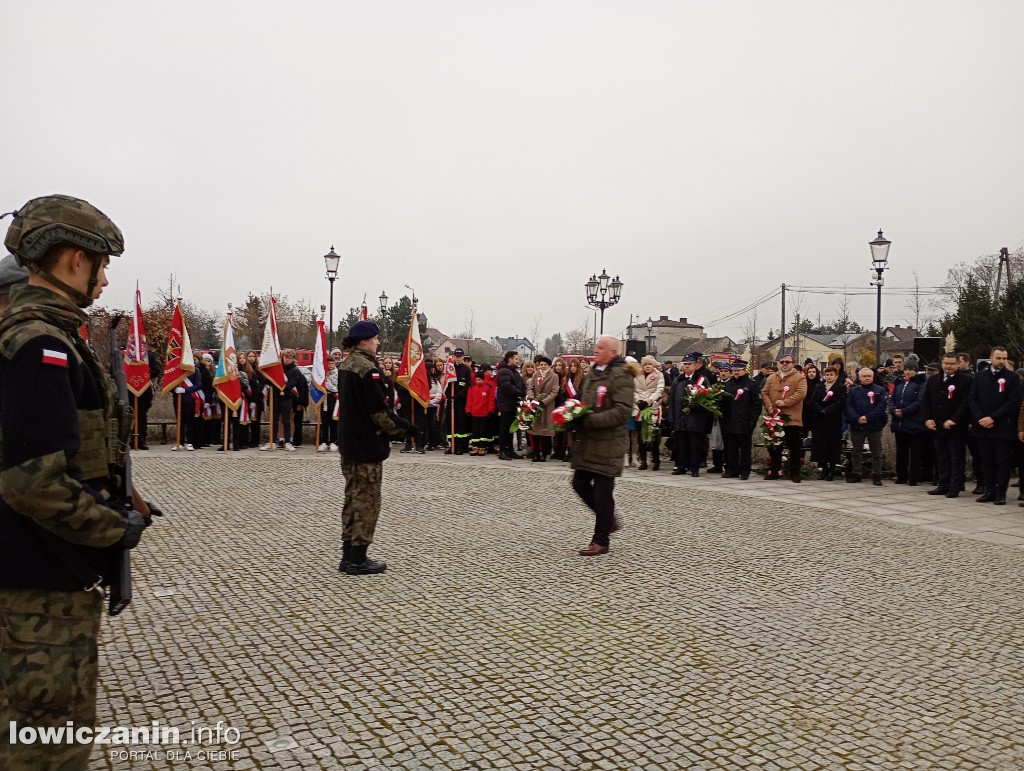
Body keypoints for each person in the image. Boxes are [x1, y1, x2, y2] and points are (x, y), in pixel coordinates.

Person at [0, 194, 154, 770]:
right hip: (37, 577)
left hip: (33, 568)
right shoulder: (42, 346)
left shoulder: (40, 335)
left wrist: (116, 490)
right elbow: (32, 481)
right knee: (45, 741)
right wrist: (116, 527)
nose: (105, 277)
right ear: (71, 260)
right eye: (101, 263)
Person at [336, 320, 410, 575]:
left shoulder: (347, 364)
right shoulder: (368, 369)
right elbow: (378, 412)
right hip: (366, 444)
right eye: (376, 339)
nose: (379, 343)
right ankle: (358, 558)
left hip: (350, 443)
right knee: (366, 501)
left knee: (352, 498)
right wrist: (402, 429)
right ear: (365, 340)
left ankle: (348, 555)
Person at [571, 336, 637, 556]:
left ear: (612, 352)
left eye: (600, 347)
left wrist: (590, 420)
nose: (595, 350)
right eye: (596, 346)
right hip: (589, 441)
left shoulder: (622, 375)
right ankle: (609, 521)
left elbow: (622, 411)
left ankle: (601, 540)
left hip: (609, 442)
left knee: (602, 492)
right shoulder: (594, 372)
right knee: (579, 483)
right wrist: (571, 414)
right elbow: (584, 402)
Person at [968, 346, 1022, 504]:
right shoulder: (980, 376)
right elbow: (972, 399)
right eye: (998, 358)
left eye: (1004, 358)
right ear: (991, 358)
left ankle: (1000, 494)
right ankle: (989, 490)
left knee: (1002, 461)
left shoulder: (1012, 378)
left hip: (1002, 427)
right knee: (986, 460)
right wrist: (981, 418)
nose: (1001, 361)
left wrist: (993, 418)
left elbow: (1013, 402)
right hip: (983, 426)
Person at [922, 352, 972, 498]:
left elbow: (965, 403)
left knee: (956, 458)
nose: (948, 366)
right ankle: (943, 484)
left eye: (951, 364)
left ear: (958, 364)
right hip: (937, 426)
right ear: (942, 364)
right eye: (946, 363)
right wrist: (927, 418)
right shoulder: (933, 379)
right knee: (941, 457)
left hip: (956, 427)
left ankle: (955, 487)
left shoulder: (966, 380)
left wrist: (954, 420)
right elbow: (925, 401)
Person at [761, 354, 808, 482]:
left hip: (792, 418)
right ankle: (775, 471)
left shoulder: (800, 378)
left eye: (788, 362)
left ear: (793, 363)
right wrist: (769, 406)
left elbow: (801, 393)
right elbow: (764, 393)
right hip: (775, 417)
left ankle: (794, 473)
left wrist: (785, 402)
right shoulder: (771, 378)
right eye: (782, 362)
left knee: (794, 447)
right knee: (775, 446)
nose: (785, 364)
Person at [669, 353, 717, 476]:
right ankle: (681, 466)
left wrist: (699, 406)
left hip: (696, 419)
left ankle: (694, 468)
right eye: (685, 364)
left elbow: (708, 399)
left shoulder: (702, 380)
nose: (687, 366)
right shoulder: (678, 380)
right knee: (681, 445)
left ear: (695, 365)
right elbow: (672, 400)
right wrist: (672, 418)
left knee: (695, 445)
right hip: (681, 418)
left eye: (689, 364)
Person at [888, 357, 928, 485]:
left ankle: (914, 477)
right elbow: (892, 399)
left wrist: (905, 411)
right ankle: (901, 476)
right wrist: (894, 410)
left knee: (915, 453)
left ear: (916, 371)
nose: (907, 372)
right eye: (906, 369)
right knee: (901, 452)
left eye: (910, 370)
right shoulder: (899, 383)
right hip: (900, 423)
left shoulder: (921, 384)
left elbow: (919, 402)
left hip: (915, 423)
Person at [845, 367, 888, 485]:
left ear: (873, 377)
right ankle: (856, 473)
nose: (867, 378)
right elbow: (848, 406)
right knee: (856, 451)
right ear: (859, 377)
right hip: (857, 425)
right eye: (864, 376)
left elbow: (881, 407)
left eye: (869, 376)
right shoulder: (853, 391)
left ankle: (877, 475)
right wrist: (857, 418)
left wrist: (868, 417)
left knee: (876, 452)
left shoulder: (880, 390)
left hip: (874, 426)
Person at [721, 360, 761, 479]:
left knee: (744, 449)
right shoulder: (727, 384)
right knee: (730, 448)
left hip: (744, 422)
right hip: (729, 422)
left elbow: (756, 405)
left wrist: (752, 421)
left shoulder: (751, 384)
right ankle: (732, 470)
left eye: (738, 370)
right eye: (734, 371)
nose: (736, 373)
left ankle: (744, 471)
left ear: (744, 370)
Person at [807, 365, 847, 480]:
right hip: (820, 419)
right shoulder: (819, 386)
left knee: (832, 444)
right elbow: (812, 401)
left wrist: (828, 410)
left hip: (834, 419)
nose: (829, 377)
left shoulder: (841, 387)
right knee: (820, 444)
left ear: (836, 376)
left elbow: (841, 402)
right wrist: (820, 410)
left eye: (831, 375)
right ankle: (823, 467)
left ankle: (832, 469)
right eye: (827, 375)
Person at [633, 355, 665, 471]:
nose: (648, 366)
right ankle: (643, 461)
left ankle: (656, 460)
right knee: (641, 437)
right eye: (645, 364)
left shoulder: (659, 375)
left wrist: (648, 401)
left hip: (653, 407)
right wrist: (638, 401)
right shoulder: (637, 375)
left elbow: (659, 390)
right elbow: (634, 390)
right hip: (639, 408)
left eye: (650, 364)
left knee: (654, 436)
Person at [528, 355, 559, 462]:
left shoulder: (554, 376)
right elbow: (530, 388)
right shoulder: (535, 374)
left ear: (549, 366)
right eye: (541, 364)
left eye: (545, 364)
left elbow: (554, 392)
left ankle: (544, 453)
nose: (543, 366)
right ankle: (536, 451)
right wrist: (533, 398)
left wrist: (544, 401)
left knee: (545, 430)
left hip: (547, 406)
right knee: (535, 429)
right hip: (536, 404)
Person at [496, 351, 526, 460]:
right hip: (506, 405)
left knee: (511, 429)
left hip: (514, 405)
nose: (518, 361)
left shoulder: (514, 372)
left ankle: (510, 450)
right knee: (505, 429)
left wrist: (523, 392)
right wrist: (520, 393)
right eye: (516, 359)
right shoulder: (504, 371)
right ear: (510, 359)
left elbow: (521, 384)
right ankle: (503, 451)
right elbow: (507, 387)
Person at [444, 347, 472, 454]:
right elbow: (446, 384)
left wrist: (458, 396)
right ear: (454, 357)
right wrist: (448, 396)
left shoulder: (466, 370)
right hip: (451, 401)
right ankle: (452, 445)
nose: (458, 358)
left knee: (461, 423)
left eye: (460, 356)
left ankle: (461, 446)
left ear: (463, 357)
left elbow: (468, 386)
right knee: (451, 423)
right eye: (456, 356)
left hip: (461, 401)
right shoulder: (450, 368)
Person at [466, 365, 498, 455]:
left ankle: (482, 446)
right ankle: (475, 446)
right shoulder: (472, 388)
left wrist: (490, 410)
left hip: (484, 413)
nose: (478, 381)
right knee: (475, 431)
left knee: (483, 431)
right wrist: (468, 410)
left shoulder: (488, 387)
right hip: (475, 413)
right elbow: (469, 400)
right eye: (477, 379)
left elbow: (490, 400)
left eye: (480, 379)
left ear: (483, 379)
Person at [319, 348, 342, 452]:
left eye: (333, 363)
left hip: (334, 399)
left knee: (333, 421)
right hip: (324, 399)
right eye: (329, 363)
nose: (331, 365)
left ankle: (333, 441)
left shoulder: (338, 373)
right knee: (324, 421)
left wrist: (327, 383)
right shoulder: (322, 374)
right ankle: (324, 441)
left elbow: (336, 387)